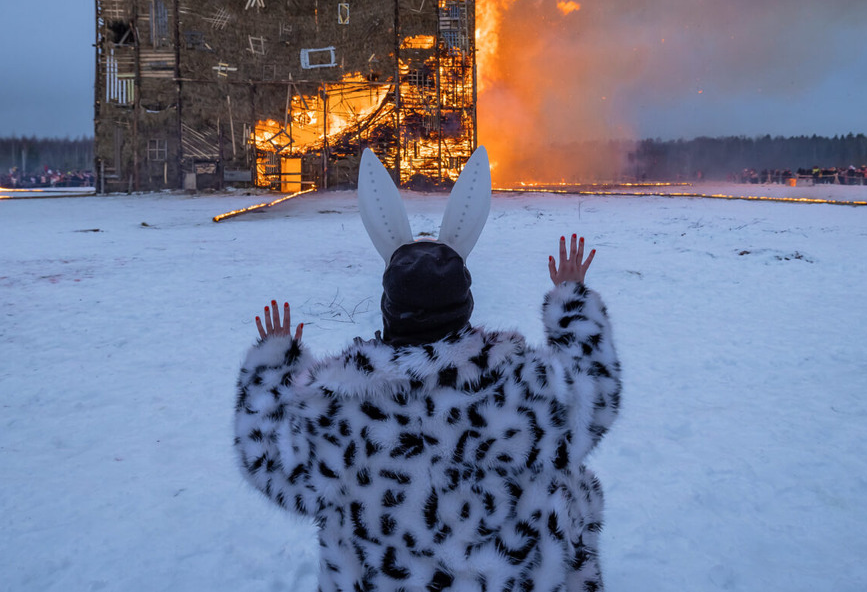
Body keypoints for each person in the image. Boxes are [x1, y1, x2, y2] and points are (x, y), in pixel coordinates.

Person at [234, 148, 621, 591]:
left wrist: (271, 365)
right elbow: (592, 397)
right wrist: (572, 305)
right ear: (465, 305)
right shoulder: (520, 389)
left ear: (388, 309)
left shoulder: (336, 409)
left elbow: (267, 461)